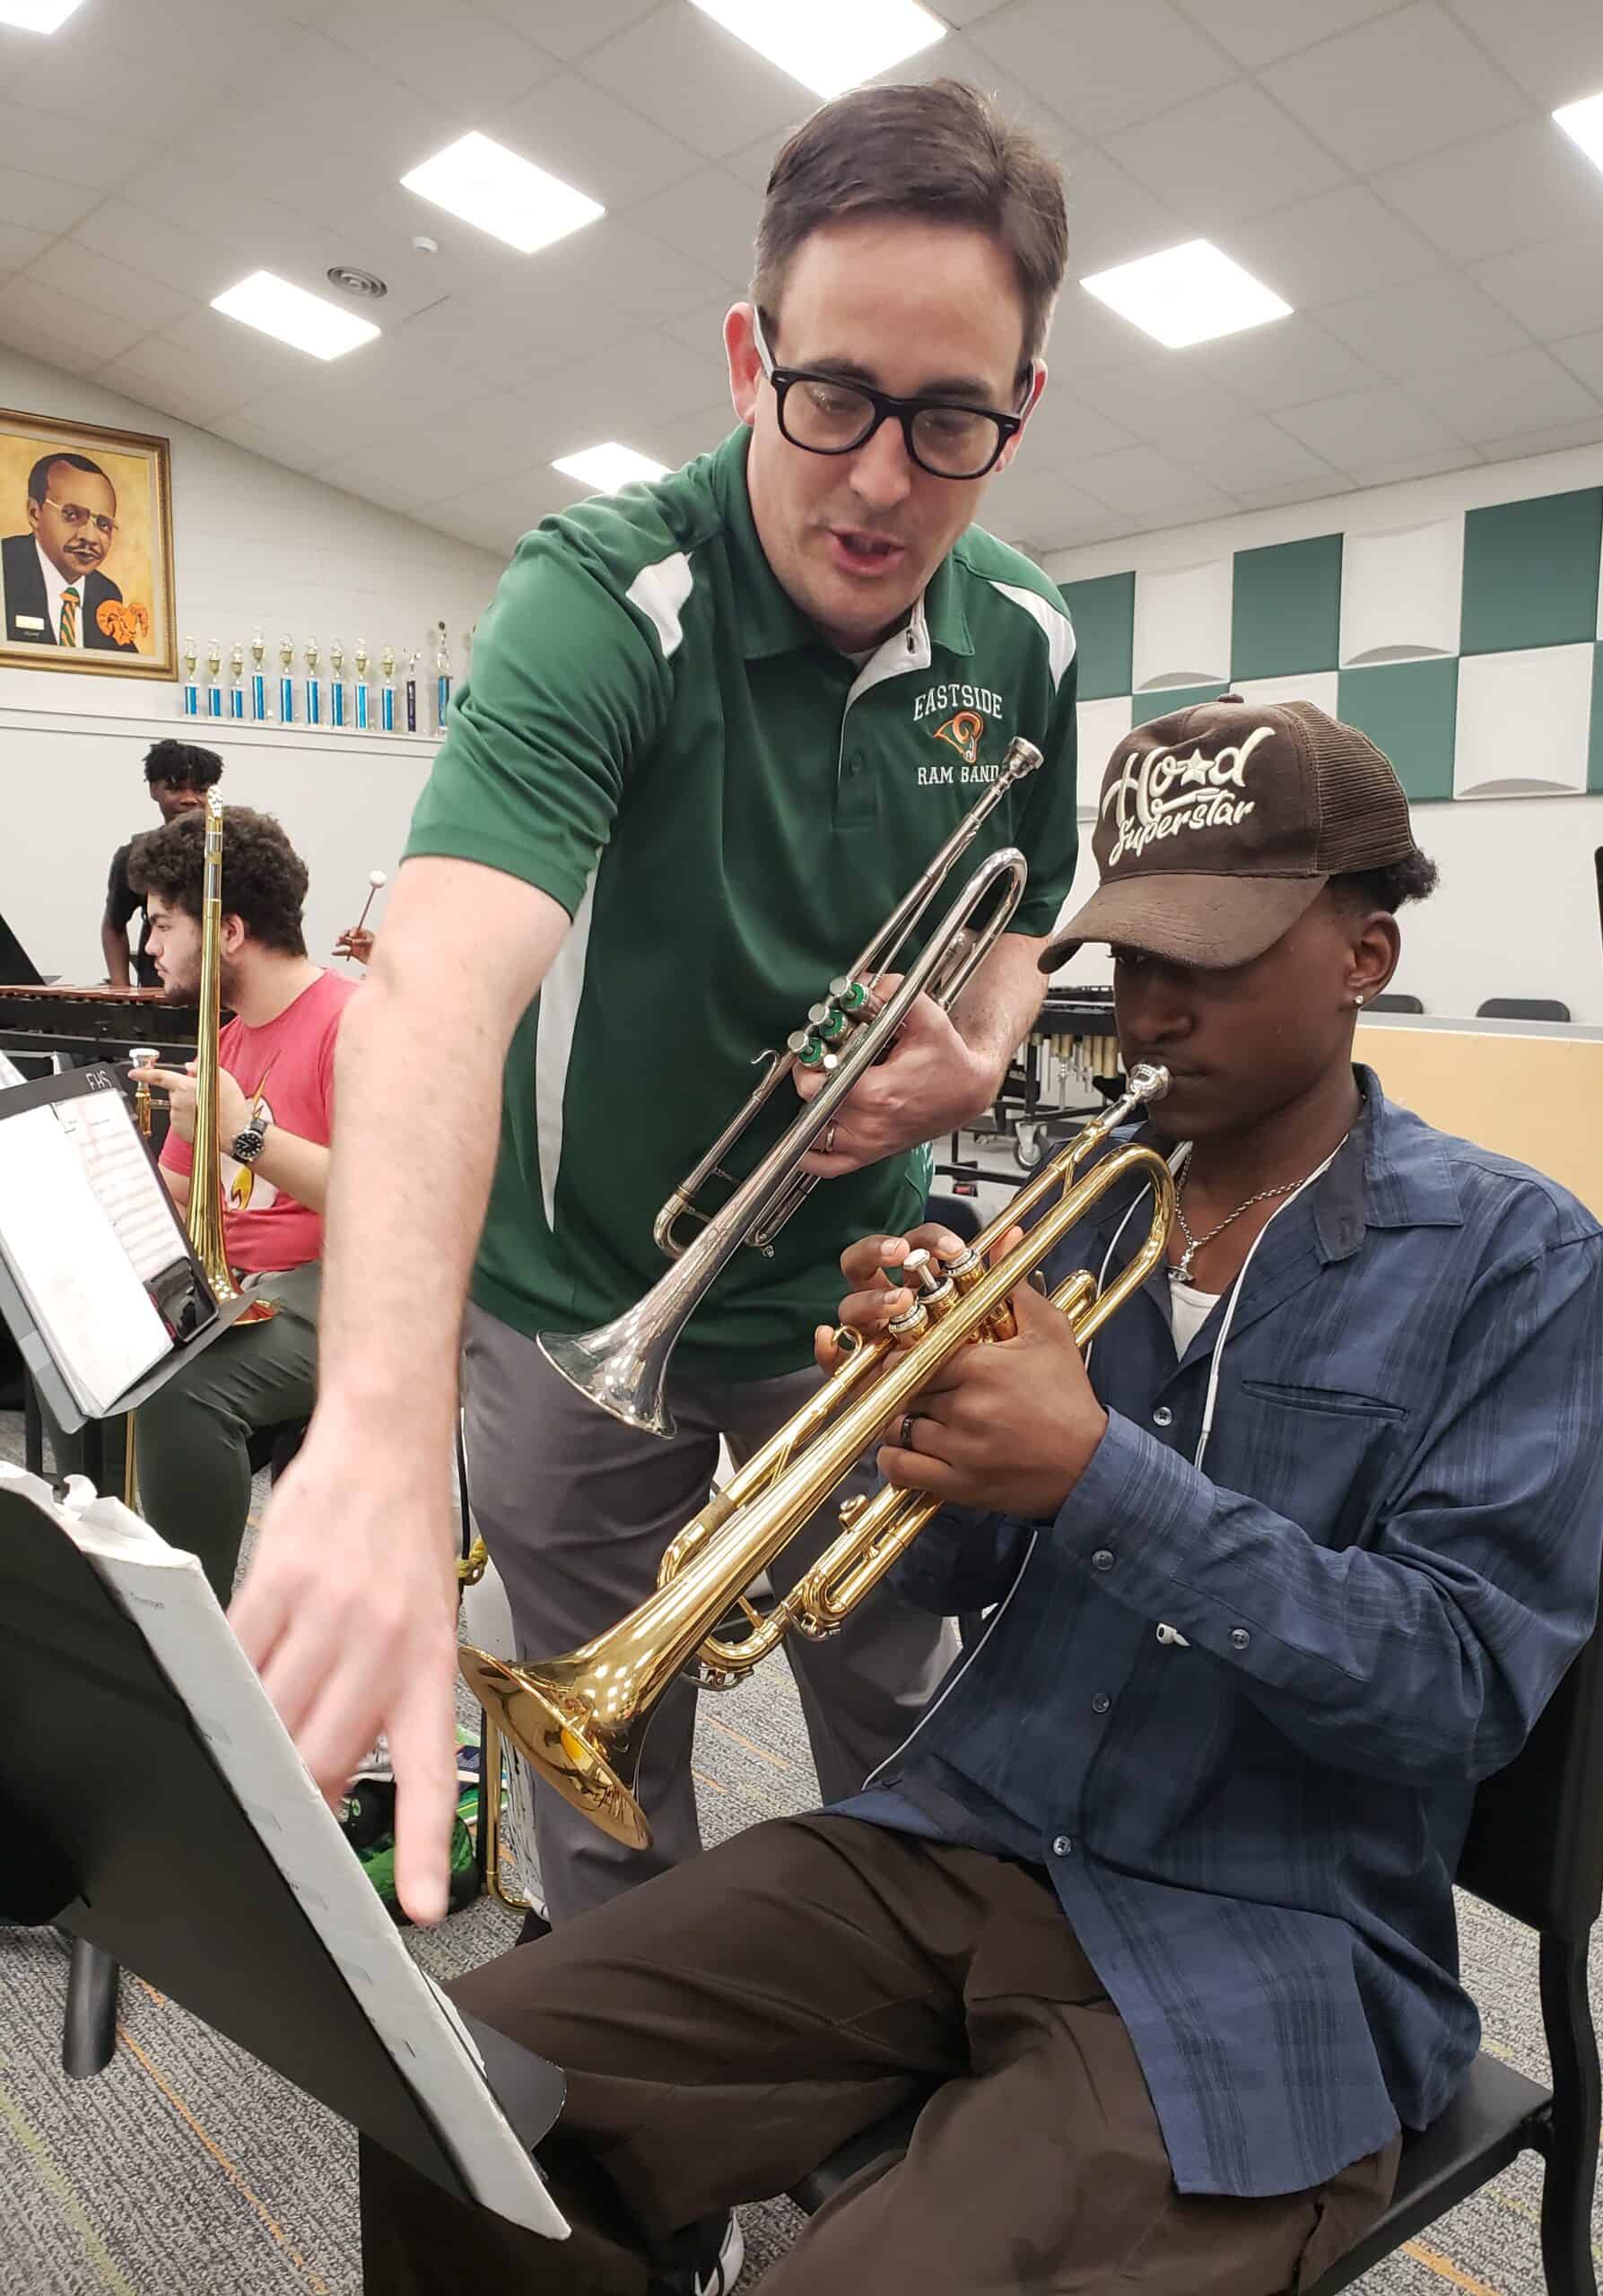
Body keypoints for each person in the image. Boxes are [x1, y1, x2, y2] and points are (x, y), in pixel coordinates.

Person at [354, 696, 1603, 2296]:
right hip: (965, 1834)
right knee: (450, 2079)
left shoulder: (1517, 1258)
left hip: (1266, 1947)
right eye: (1133, 959)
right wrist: (911, 1429)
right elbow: (945, 1578)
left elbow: (1459, 1690)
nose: (1150, 1013)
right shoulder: (1078, 1220)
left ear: (1364, 952)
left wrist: (1097, 1473)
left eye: (1211, 959)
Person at [235, 77, 1082, 1928]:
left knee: (907, 1708)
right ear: (744, 355)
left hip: (857, 1294)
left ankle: (912, 2038)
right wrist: (378, 1424)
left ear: (1022, 414)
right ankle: (645, 2154)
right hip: (571, 1320)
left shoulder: (1025, 640)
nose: (876, 476)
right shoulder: (603, 597)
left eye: (947, 420)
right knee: (603, 1768)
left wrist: (983, 1052)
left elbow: (1033, 901)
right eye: (834, 391)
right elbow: (438, 986)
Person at [123, 805, 356, 1605]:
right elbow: (183, 1195)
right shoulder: (220, 1044)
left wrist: (245, 1136)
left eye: (161, 925)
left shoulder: (352, 1023)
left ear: (226, 932)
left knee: (183, 1386)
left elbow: (382, 1201)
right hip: (254, 1291)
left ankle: (192, 1645)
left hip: (349, 1287)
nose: (147, 948)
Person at [101, 739, 223, 989]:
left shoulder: (237, 849)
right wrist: (121, 991)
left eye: (200, 790)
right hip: (159, 988)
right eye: (176, 788)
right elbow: (114, 926)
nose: (189, 799)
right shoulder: (134, 855)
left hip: (226, 988)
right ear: (154, 789)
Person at [2, 451, 137, 650]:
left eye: (103, 524)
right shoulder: (5, 565)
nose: (90, 537)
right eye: (72, 515)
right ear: (35, 513)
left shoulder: (105, 594)